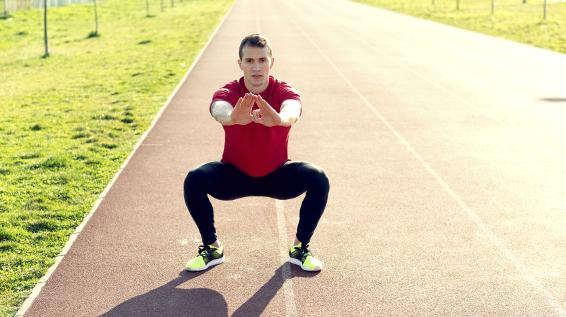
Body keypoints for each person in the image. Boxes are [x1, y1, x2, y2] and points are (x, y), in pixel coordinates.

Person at [183, 34, 329, 272]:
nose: (256, 67)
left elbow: (292, 110)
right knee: (195, 178)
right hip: (234, 175)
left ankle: (300, 248)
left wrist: (280, 119)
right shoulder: (229, 91)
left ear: (272, 61)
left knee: (318, 178)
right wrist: (232, 118)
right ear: (239, 64)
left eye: (262, 60)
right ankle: (211, 248)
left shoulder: (284, 90)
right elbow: (219, 109)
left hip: (276, 175)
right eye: (249, 60)